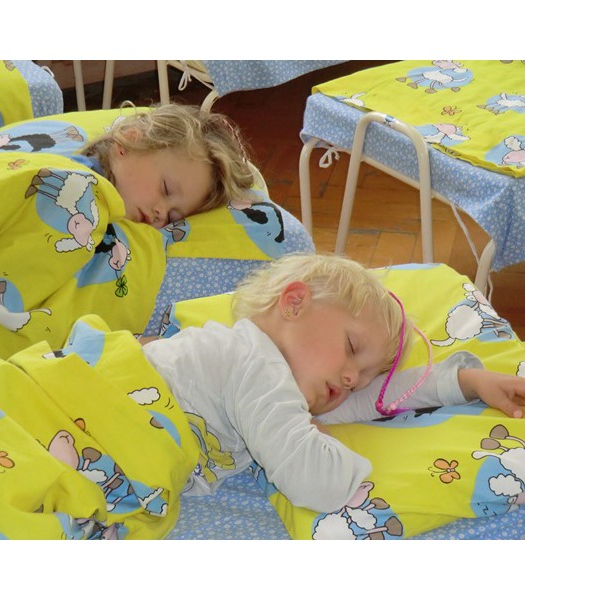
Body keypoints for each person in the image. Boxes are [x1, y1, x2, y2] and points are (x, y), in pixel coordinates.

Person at [141, 253, 525, 514]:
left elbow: (373, 399)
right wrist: (320, 438)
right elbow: (317, 483)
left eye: (361, 379)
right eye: (351, 347)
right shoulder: (255, 364)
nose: (352, 379)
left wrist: (466, 382)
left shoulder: (278, 375)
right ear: (294, 303)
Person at [78, 103, 257, 228]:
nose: (161, 213)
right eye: (166, 189)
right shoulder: (77, 183)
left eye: (172, 217)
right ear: (130, 142)